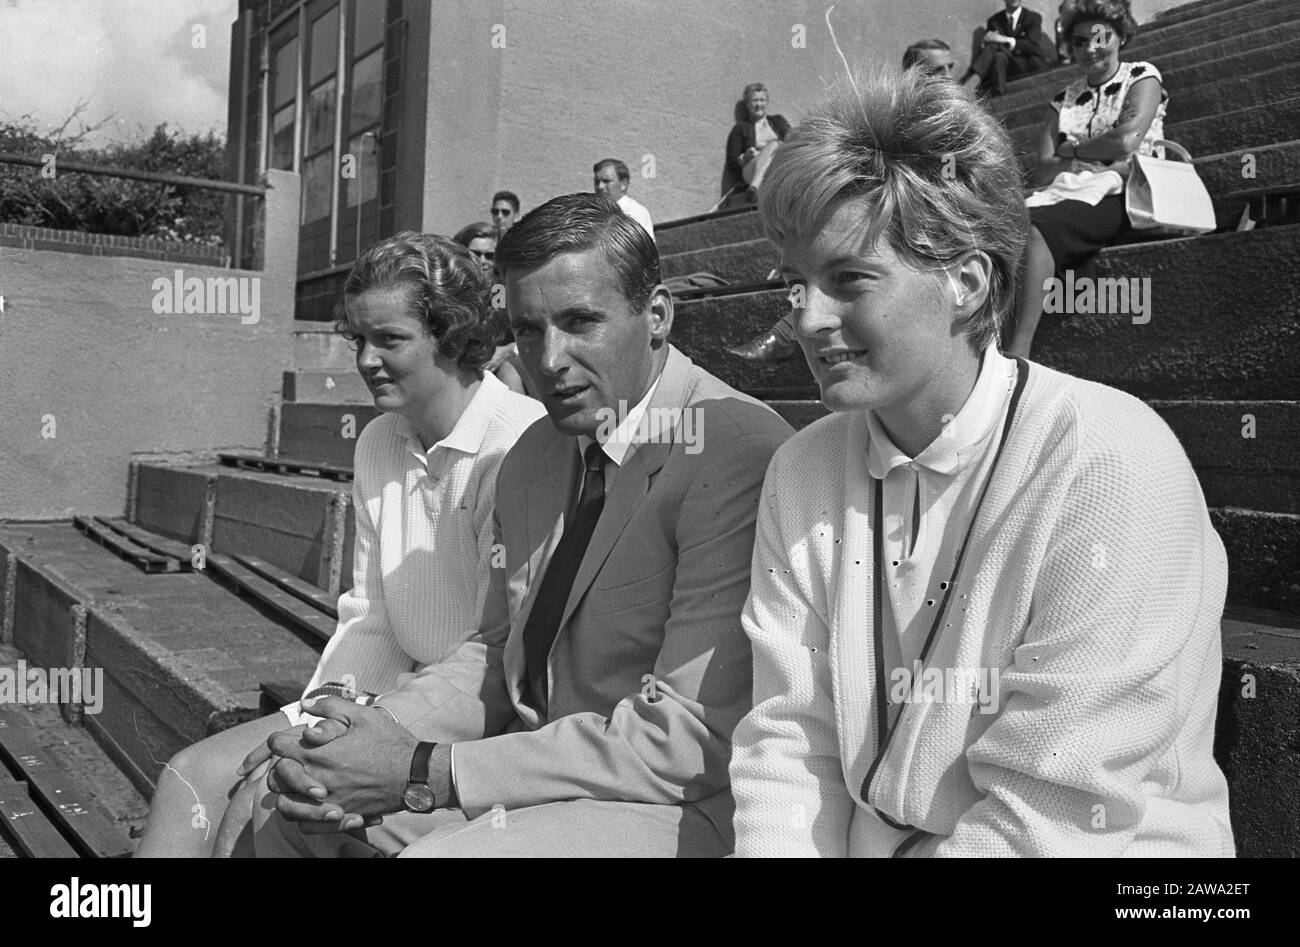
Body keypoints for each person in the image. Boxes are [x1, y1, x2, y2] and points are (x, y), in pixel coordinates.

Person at [727, 65, 1233, 857]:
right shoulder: (801, 469)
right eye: (796, 283)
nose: (807, 318)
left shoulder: (1111, 463)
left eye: (848, 279)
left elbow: (1053, 812)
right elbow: (788, 743)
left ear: (966, 280)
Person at [239, 193, 793, 858]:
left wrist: (425, 768)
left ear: (657, 316)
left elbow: (683, 737)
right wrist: (360, 737)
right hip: (539, 776)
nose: (550, 359)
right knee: (287, 803)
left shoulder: (731, 451)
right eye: (529, 329)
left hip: (680, 803)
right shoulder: (535, 453)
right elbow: (494, 657)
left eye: (580, 321)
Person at [133, 233, 544, 857]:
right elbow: (372, 613)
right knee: (188, 777)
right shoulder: (379, 440)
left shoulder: (517, 442)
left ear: (453, 335)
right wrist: (324, 709)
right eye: (358, 339)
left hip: (476, 721)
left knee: (267, 797)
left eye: (390, 339)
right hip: (388, 692)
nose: (367, 359)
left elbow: (495, 660)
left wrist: (335, 737)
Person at [728, 43, 954, 363]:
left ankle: (783, 334)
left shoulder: (960, 123)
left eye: (949, 68)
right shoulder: (894, 120)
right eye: (936, 71)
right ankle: (786, 329)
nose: (948, 77)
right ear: (913, 75)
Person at [1005, 0, 1166, 358]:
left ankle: (1017, 355)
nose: (1089, 48)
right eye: (1079, 41)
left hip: (1127, 191)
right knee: (1003, 227)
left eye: (1099, 37)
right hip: (1069, 192)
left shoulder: (1142, 76)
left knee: (1038, 228)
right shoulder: (1063, 99)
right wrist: (1095, 153)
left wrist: (1072, 151)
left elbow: (1127, 141)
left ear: (1120, 36)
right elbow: (1044, 166)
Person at [453, 221, 528, 395]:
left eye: (489, 255)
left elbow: (504, 328)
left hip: (491, 367)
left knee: (508, 372)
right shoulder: (449, 290)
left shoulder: (498, 291)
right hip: (457, 367)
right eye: (476, 253)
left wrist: (507, 350)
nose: (482, 261)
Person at [722, 82, 793, 206]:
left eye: (762, 100)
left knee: (774, 145)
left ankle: (755, 189)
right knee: (773, 145)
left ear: (766, 102)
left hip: (778, 166)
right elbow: (732, 161)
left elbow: (793, 142)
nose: (759, 104)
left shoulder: (778, 121)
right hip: (751, 169)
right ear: (747, 103)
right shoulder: (740, 128)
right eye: (755, 100)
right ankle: (755, 187)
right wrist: (745, 157)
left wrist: (774, 147)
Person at [959, 0, 1047, 96]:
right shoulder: (994, 21)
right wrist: (986, 41)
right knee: (998, 55)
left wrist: (1005, 40)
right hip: (1005, 68)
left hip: (1027, 65)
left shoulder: (1033, 17)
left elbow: (1033, 46)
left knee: (994, 46)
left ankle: (970, 83)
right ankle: (999, 95)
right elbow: (990, 54)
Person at [593, 158, 655, 241]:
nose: (600, 186)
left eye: (606, 181)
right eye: (597, 182)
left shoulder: (635, 213)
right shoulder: (593, 211)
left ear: (623, 184)